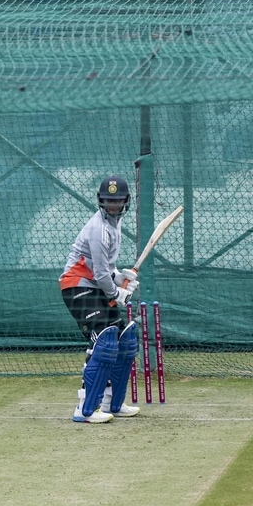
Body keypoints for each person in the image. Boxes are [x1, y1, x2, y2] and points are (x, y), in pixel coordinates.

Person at [59, 176, 141, 423]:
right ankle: (85, 408)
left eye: (118, 201)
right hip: (76, 286)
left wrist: (121, 279)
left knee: (123, 337)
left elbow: (106, 269)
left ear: (126, 201)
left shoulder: (114, 225)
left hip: (93, 285)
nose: (113, 205)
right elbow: (100, 273)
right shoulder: (99, 228)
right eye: (108, 201)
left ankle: (110, 403)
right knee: (104, 340)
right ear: (100, 201)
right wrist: (116, 293)